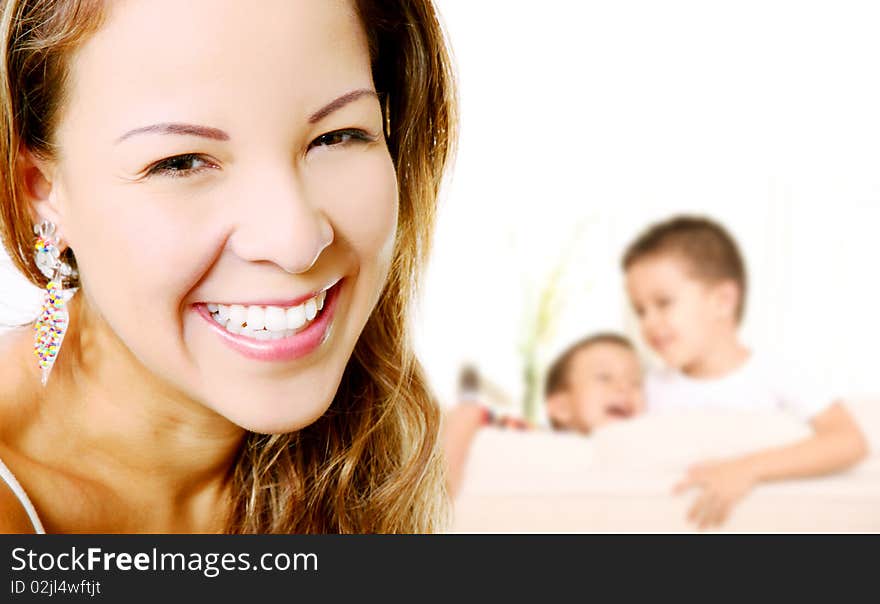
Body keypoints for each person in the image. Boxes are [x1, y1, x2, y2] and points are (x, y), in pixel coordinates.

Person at [0, 0, 457, 533]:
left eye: (336, 136)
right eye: (182, 162)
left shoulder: (387, 436)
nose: (295, 241)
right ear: (39, 190)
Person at [623, 215, 868, 529]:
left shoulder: (776, 374)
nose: (649, 322)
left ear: (722, 301)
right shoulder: (648, 387)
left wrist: (746, 469)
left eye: (663, 303)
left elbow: (849, 442)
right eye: (639, 310)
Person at [444, 333, 645, 496]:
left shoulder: (647, 452)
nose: (624, 387)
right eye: (604, 377)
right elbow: (468, 413)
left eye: (636, 382)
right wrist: (445, 492)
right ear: (561, 407)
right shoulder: (535, 436)